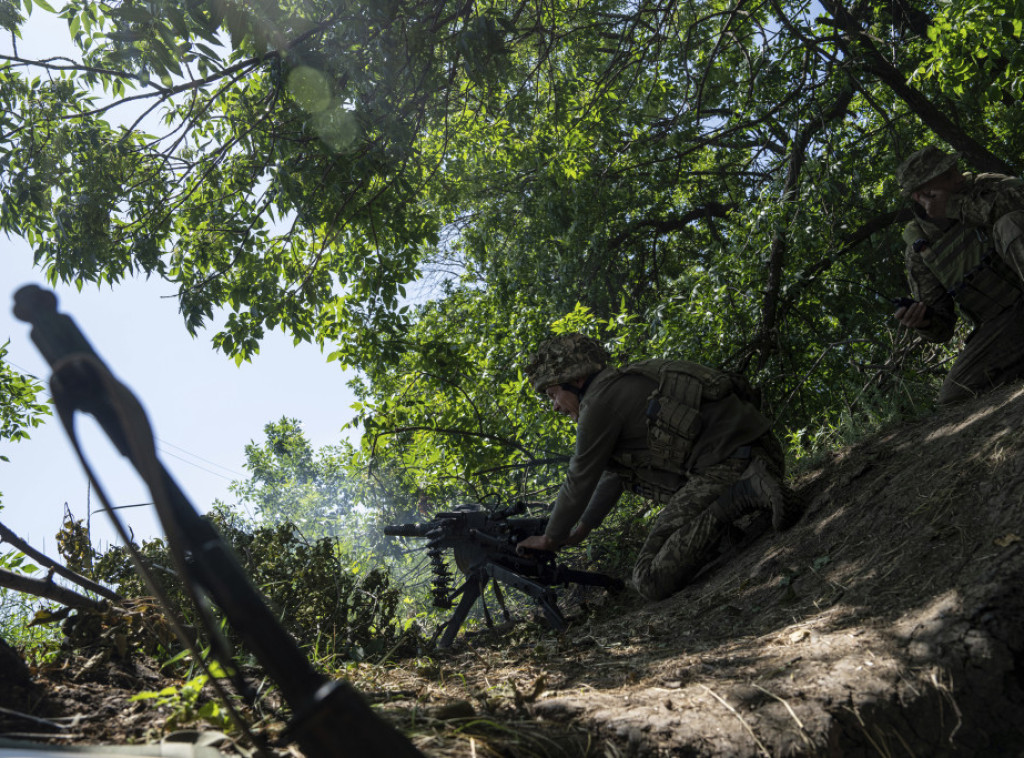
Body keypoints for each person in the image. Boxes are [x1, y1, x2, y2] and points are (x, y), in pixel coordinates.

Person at [516, 333, 802, 601]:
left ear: (575, 379)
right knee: (703, 538)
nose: (554, 406)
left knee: (649, 578)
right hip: (762, 449)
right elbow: (613, 475)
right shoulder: (623, 382)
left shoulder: (598, 403)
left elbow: (579, 477)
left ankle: (746, 492)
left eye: (553, 394)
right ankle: (743, 505)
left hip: (729, 466)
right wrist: (582, 529)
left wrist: (549, 538)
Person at [894, 144, 1024, 404]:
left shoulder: (985, 186)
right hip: (1007, 321)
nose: (959, 177)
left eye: (954, 169)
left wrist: (955, 207)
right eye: (947, 176)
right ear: (922, 195)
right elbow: (942, 329)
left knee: (1008, 225)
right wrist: (923, 321)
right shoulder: (921, 249)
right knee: (954, 396)